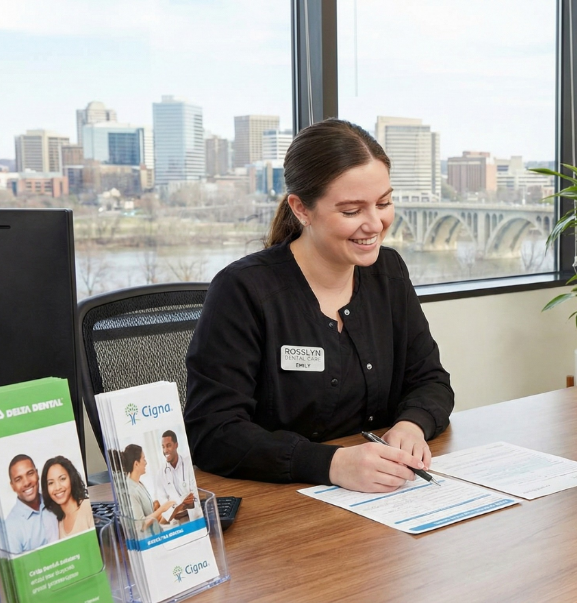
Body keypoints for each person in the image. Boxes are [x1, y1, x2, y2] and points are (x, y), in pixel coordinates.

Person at [185, 118, 454, 493]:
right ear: (301, 209)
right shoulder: (242, 290)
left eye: (384, 203)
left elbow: (430, 380)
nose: (375, 223)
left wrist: (412, 423)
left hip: (382, 496)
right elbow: (213, 432)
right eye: (351, 211)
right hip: (279, 504)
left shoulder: (388, 272)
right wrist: (333, 463)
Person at [115, 444, 173, 538]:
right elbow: (141, 525)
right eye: (144, 459)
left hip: (156, 532)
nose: (146, 463)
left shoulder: (139, 483)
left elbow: (146, 512)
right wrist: (163, 509)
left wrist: (156, 506)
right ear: (136, 463)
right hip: (148, 539)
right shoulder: (130, 490)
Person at [4, 455, 58, 553]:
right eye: (18, 479)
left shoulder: (55, 501)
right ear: (13, 486)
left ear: (37, 474)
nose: (26, 482)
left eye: (30, 473)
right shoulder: (10, 528)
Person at [41, 456, 95, 539]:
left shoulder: (88, 507)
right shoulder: (56, 523)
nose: (57, 487)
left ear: (71, 478)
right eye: (51, 483)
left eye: (62, 479)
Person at [152, 430, 198, 524]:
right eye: (163, 447)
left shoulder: (189, 464)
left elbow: (196, 494)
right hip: (176, 522)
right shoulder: (160, 473)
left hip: (195, 517)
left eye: (168, 445)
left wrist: (188, 503)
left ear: (176, 445)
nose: (165, 450)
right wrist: (180, 506)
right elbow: (164, 504)